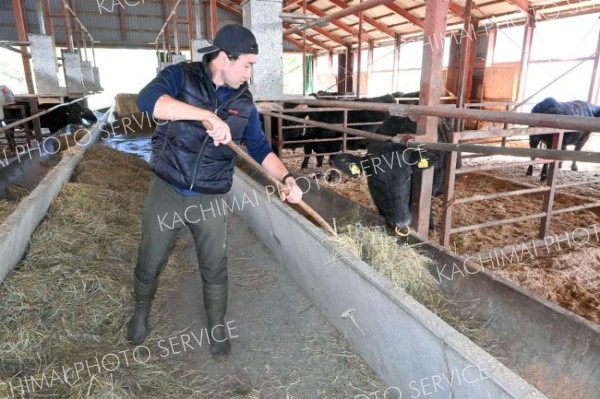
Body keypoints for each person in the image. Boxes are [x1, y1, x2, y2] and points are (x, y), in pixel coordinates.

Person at [127, 24, 302, 361]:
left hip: (209, 196)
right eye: (248, 64)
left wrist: (286, 178)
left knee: (215, 265)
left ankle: (217, 325)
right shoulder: (182, 77)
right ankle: (140, 313)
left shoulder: (244, 102)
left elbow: (260, 147)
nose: (251, 72)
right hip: (167, 188)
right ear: (224, 57)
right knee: (150, 258)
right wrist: (205, 116)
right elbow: (147, 101)